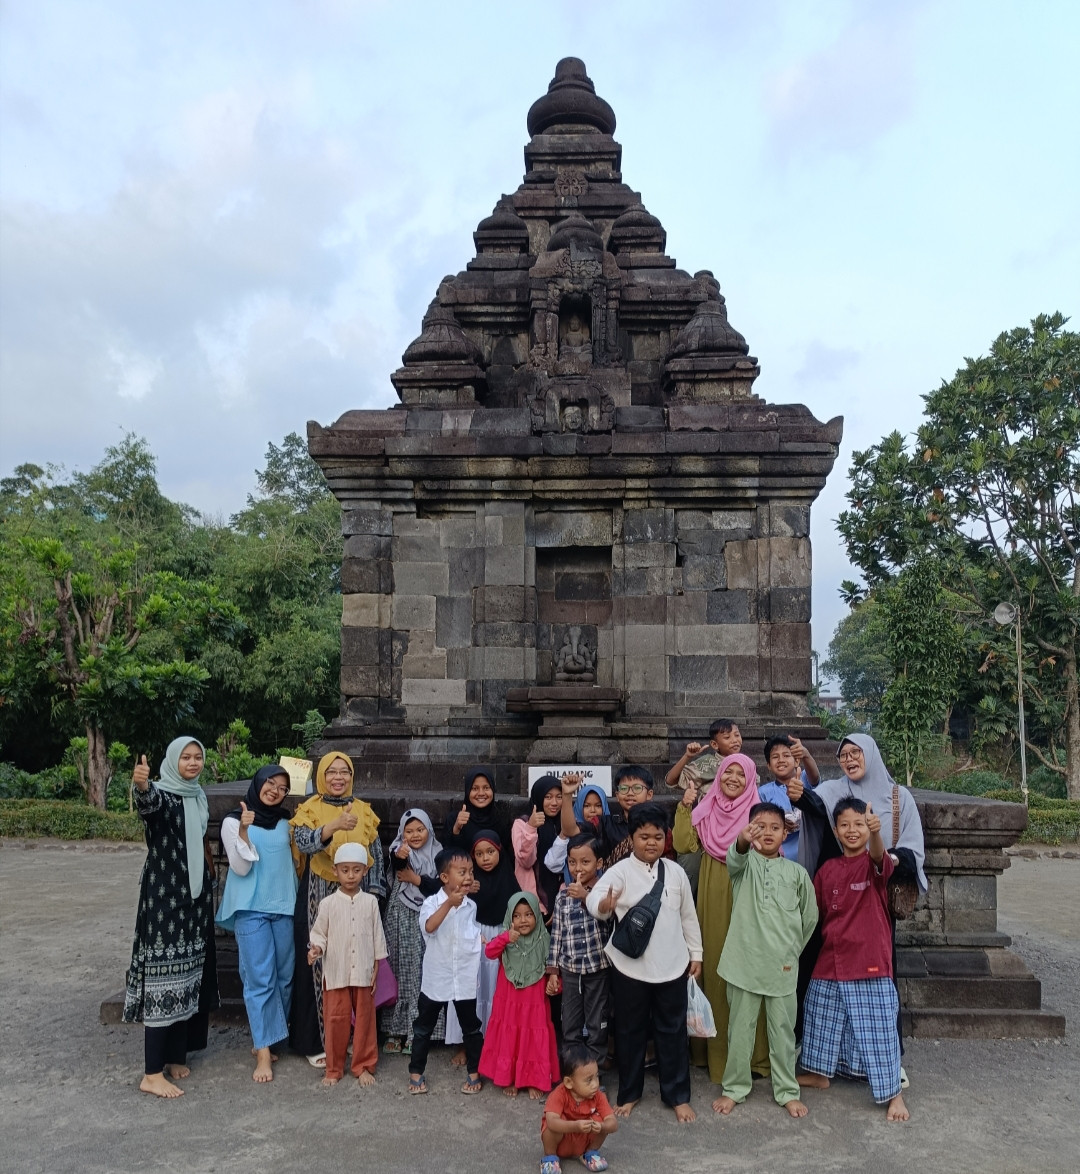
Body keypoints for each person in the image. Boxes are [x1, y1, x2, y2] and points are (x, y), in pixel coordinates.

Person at [587, 802, 703, 1123]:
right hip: (629, 969)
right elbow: (594, 898)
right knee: (629, 1032)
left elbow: (688, 917)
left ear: (665, 838)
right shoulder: (620, 870)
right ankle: (629, 1093)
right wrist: (604, 905)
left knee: (672, 1031)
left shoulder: (676, 871)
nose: (650, 842)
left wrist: (697, 954)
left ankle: (677, 1096)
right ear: (632, 837)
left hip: (672, 966)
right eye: (643, 836)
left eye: (656, 836)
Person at [797, 797, 910, 1122]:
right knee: (820, 1016)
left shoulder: (876, 863)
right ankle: (820, 1073)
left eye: (859, 824)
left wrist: (876, 834)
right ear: (835, 829)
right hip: (830, 958)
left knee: (879, 1028)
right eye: (844, 825)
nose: (851, 830)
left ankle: (893, 1093)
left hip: (868, 960)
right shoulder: (827, 869)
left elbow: (879, 856)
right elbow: (812, 915)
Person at [123, 738, 219, 1099]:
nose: (192, 763)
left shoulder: (196, 795)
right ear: (172, 761)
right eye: (186, 758)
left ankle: (175, 1056)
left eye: (197, 758)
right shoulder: (163, 793)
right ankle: (151, 1072)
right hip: (165, 900)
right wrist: (143, 786)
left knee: (188, 975)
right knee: (164, 976)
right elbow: (151, 808)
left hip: (193, 900)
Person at [711, 802, 817, 1119]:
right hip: (743, 963)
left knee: (783, 1033)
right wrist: (743, 840)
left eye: (775, 827)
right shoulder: (743, 866)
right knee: (739, 1032)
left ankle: (786, 1091)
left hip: (782, 967)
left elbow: (809, 919)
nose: (767, 832)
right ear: (749, 830)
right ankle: (734, 1089)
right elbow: (736, 854)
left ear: (786, 833)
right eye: (760, 826)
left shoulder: (797, 873)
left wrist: (789, 952)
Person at [672, 752, 770, 1085]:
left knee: (748, 970)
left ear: (750, 780)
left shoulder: (757, 813)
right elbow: (684, 844)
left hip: (747, 892)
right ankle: (712, 1053)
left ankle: (752, 1057)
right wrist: (685, 806)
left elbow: (772, 850)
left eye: (740, 775)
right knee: (713, 967)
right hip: (713, 891)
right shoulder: (706, 809)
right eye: (727, 773)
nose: (732, 779)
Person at [289, 752, 385, 1067]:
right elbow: (303, 842)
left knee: (354, 966)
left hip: (357, 897)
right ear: (322, 776)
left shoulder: (363, 811)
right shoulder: (310, 808)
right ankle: (316, 1041)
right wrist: (334, 825)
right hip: (319, 891)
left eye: (344, 772)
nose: (338, 778)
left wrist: (374, 895)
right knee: (317, 964)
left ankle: (350, 1042)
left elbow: (376, 857)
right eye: (332, 772)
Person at [216, 764, 298, 1083]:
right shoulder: (233, 820)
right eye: (270, 783)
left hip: (285, 906)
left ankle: (272, 1036)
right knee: (260, 979)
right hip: (251, 908)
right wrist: (244, 831)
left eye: (282, 787)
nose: (275, 790)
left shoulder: (287, 822)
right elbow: (238, 868)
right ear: (258, 783)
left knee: (285, 977)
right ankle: (262, 1050)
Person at [307, 842, 387, 1088]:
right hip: (336, 971)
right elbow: (319, 932)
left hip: (363, 970)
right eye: (345, 870)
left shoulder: (370, 903)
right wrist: (316, 949)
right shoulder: (328, 904)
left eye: (356, 870)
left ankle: (363, 1065)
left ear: (365, 871)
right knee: (335, 1020)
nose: (350, 875)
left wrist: (376, 967)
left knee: (365, 1021)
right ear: (335, 871)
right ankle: (333, 1068)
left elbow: (377, 935)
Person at [408, 848, 485, 1096]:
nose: (468, 877)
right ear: (444, 878)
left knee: (471, 1026)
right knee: (423, 1027)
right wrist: (449, 904)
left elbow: (468, 936)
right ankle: (416, 1073)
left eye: (470, 872)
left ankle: (474, 1073)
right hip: (437, 976)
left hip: (462, 976)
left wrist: (481, 941)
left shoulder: (471, 906)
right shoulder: (431, 903)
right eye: (462, 872)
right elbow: (430, 928)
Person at [479, 891, 561, 1098]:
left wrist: (555, 986)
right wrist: (506, 937)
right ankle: (511, 1079)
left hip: (535, 1005)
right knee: (510, 1040)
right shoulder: (506, 938)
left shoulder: (545, 939)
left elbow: (553, 971)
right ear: (509, 918)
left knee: (533, 1041)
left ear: (536, 915)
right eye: (516, 915)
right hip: (508, 1004)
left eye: (528, 914)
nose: (523, 920)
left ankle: (534, 1080)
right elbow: (489, 952)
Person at [380, 808, 444, 1055]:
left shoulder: (439, 855)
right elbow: (398, 861)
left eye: (420, 829)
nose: (415, 835)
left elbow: (440, 887)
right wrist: (401, 855)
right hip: (400, 919)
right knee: (399, 970)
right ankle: (396, 1030)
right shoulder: (399, 849)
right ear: (401, 833)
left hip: (428, 920)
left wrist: (416, 879)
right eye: (409, 831)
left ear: (429, 829)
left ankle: (419, 1030)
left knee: (422, 973)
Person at [546, 832, 611, 1066]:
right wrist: (553, 971)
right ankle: (573, 1073)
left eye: (585, 862)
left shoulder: (605, 891)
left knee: (597, 1023)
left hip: (598, 969)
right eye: (572, 862)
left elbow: (608, 918)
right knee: (570, 1024)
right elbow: (557, 935)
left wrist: (586, 898)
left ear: (600, 863)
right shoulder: (563, 896)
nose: (578, 868)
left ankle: (595, 1074)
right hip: (571, 971)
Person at [665, 720, 743, 892]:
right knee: (692, 881)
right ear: (715, 744)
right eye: (727, 737)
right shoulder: (706, 764)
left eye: (737, 735)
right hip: (703, 832)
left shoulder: (746, 766)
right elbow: (671, 780)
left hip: (733, 833)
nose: (735, 740)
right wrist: (688, 756)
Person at [541, 1042, 618, 1174]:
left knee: (600, 1120)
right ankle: (550, 1158)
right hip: (561, 1141)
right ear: (569, 1083)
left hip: (584, 1141)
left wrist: (602, 1127)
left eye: (596, 1076)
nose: (595, 1084)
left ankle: (590, 1154)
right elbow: (552, 1121)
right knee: (551, 1126)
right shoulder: (558, 1094)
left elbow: (613, 1123)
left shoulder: (598, 1096)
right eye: (589, 1080)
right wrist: (575, 1126)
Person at [559, 765, 658, 868]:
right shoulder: (605, 823)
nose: (630, 793)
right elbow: (570, 831)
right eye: (624, 788)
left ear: (649, 794)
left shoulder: (658, 825)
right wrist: (567, 794)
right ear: (617, 795)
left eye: (637, 788)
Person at [759, 734, 820, 863]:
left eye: (786, 756)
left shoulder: (804, 778)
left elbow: (814, 778)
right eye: (775, 757)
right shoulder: (764, 792)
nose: (781, 760)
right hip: (781, 855)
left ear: (797, 761)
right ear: (769, 765)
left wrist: (806, 755)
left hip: (809, 851)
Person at [513, 774, 565, 916]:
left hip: (562, 902)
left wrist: (562, 902)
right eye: (548, 797)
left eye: (559, 797)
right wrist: (531, 827)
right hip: (533, 904)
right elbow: (526, 861)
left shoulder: (565, 824)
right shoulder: (522, 824)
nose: (554, 803)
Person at [544, 782, 609, 882]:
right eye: (586, 806)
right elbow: (553, 864)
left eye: (598, 805)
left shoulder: (611, 829)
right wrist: (565, 833)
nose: (593, 810)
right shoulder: (571, 832)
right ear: (579, 807)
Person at [444, 766, 510, 854]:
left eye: (486, 788)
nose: (481, 793)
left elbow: (506, 856)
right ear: (467, 791)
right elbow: (448, 857)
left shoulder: (502, 820)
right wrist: (456, 830)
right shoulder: (455, 819)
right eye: (475, 788)